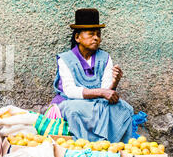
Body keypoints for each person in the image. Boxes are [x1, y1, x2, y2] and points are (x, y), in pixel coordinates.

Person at [51, 8, 134, 143]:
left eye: (98, 34)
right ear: (77, 37)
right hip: (73, 102)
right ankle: (84, 145)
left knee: (124, 108)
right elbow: (70, 91)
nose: (96, 38)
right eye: (91, 34)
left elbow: (106, 88)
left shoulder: (104, 57)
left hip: (98, 103)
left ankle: (112, 146)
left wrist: (114, 83)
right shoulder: (65, 59)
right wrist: (102, 92)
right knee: (73, 110)